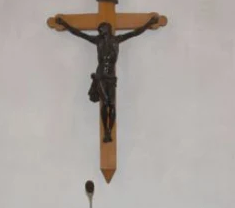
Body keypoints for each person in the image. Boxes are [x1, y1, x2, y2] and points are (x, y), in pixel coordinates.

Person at [53, 15, 160, 143]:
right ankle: (106, 132)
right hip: (101, 77)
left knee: (112, 104)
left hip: (111, 77)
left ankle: (109, 130)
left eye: (101, 29)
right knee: (105, 103)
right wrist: (65, 24)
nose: (99, 31)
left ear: (107, 29)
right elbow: (79, 34)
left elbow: (135, 33)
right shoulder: (98, 41)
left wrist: (149, 23)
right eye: (99, 30)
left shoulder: (117, 39)